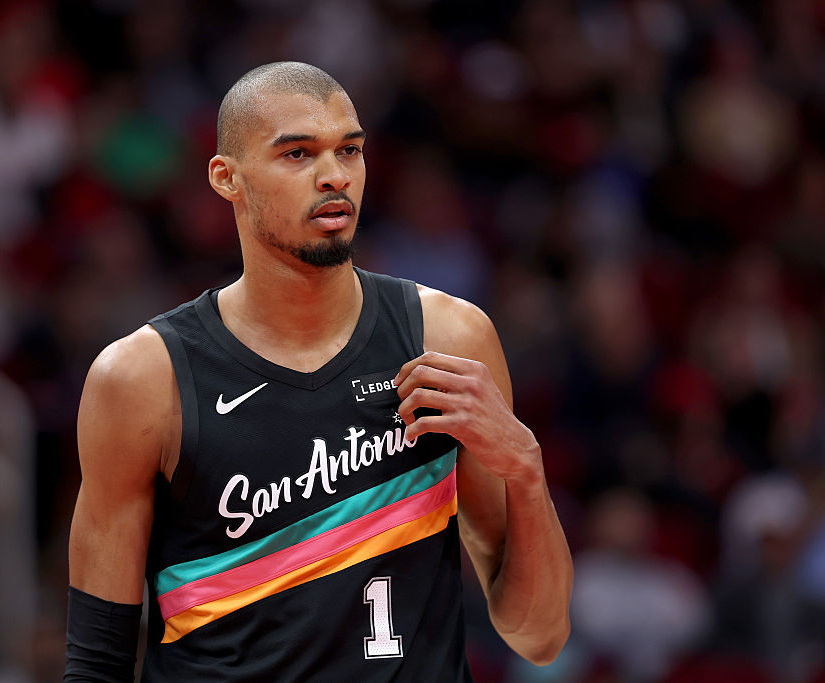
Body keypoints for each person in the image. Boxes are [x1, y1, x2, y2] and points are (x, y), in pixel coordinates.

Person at [64, 61, 572, 682]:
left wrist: (526, 468)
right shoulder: (143, 379)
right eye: (298, 154)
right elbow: (97, 665)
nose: (335, 176)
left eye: (349, 150)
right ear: (227, 178)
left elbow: (538, 636)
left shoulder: (448, 339)